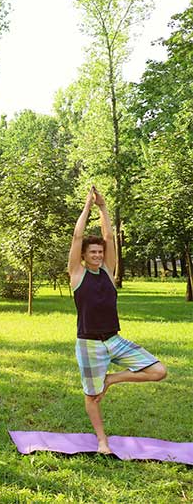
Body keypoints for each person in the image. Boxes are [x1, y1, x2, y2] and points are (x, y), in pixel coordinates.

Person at [68, 186, 166, 454]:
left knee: (159, 371)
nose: (98, 256)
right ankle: (102, 441)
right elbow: (78, 236)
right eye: (93, 253)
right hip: (88, 344)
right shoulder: (77, 274)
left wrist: (103, 207)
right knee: (91, 396)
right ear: (84, 256)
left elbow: (109, 236)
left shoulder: (109, 273)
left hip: (115, 339)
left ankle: (111, 379)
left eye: (100, 252)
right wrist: (87, 206)